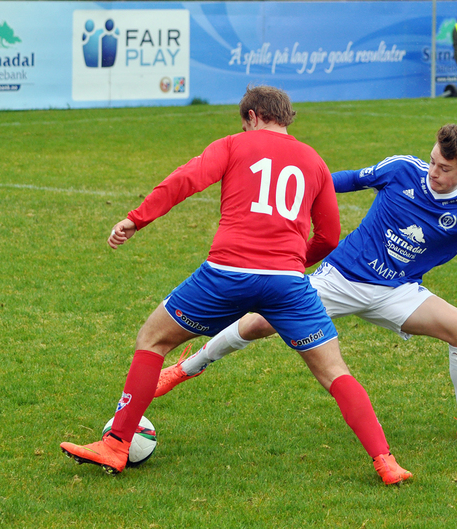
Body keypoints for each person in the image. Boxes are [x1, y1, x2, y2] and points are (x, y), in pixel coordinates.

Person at [59, 85, 411, 486]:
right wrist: (293, 263)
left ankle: (118, 443)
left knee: (152, 339)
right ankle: (386, 462)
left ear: (252, 116)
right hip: (288, 284)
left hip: (226, 275)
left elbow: (184, 181)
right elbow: (330, 237)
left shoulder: (233, 145)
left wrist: (136, 219)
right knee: (335, 372)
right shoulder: (314, 161)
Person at [155, 124, 457, 447]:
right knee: (255, 324)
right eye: (432, 161)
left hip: (397, 292)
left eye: (445, 169)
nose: (433, 172)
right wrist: (303, 187)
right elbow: (342, 181)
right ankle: (186, 368)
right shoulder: (401, 170)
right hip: (339, 278)